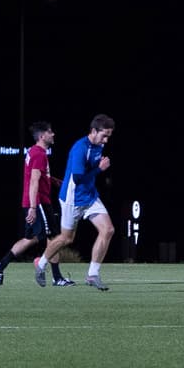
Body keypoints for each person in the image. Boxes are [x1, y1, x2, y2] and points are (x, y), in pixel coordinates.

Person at [34, 114, 116, 291]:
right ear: (93, 131)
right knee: (66, 238)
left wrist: (96, 171)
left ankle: (92, 275)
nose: (106, 140)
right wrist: (99, 169)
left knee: (108, 229)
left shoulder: (98, 145)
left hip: (90, 196)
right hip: (73, 199)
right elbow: (78, 178)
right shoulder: (80, 148)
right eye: (104, 135)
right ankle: (40, 265)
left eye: (109, 136)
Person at [0, 121, 72, 286]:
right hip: (39, 203)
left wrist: (57, 182)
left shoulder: (37, 152)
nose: (53, 134)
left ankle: (0, 266)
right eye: (50, 132)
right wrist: (33, 208)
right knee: (54, 238)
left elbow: (40, 178)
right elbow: (34, 181)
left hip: (35, 202)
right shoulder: (38, 154)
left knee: (31, 239)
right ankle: (57, 278)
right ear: (42, 136)